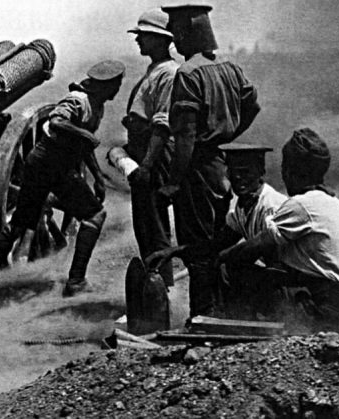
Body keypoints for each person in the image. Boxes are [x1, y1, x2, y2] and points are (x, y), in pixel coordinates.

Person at [0, 60, 125, 297]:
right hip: (48, 164)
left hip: (55, 166)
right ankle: (74, 281)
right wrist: (84, 134)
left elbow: (84, 146)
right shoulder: (78, 100)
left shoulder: (96, 105)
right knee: (90, 216)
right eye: (114, 86)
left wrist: (98, 176)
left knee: (23, 223)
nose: (116, 90)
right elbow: (57, 122)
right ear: (103, 86)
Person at [157, 4, 260, 317]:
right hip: (223, 163)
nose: (173, 39)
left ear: (190, 30)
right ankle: (222, 310)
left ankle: (203, 316)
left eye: (176, 30)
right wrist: (226, 134)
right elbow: (252, 107)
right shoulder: (230, 67)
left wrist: (174, 182)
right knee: (218, 240)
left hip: (198, 167)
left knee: (198, 246)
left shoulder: (188, 74)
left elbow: (186, 133)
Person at [218, 129, 339, 330]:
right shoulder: (335, 204)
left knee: (237, 266)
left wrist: (219, 258)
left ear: (289, 170)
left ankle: (248, 327)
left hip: (332, 305)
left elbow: (255, 247)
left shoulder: (301, 205)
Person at [147, 143, 287, 316]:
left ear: (261, 172)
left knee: (227, 266)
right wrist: (174, 251)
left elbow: (278, 264)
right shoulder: (241, 208)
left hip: (292, 284)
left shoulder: (271, 207)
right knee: (214, 261)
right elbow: (215, 245)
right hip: (275, 280)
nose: (238, 179)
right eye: (233, 173)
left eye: (245, 172)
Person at [123, 9, 179, 286]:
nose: (138, 41)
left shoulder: (168, 74)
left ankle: (162, 288)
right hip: (143, 151)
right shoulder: (154, 70)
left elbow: (162, 125)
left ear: (160, 39)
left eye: (144, 36)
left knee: (154, 225)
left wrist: (146, 165)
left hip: (154, 155)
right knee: (144, 225)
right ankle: (154, 286)